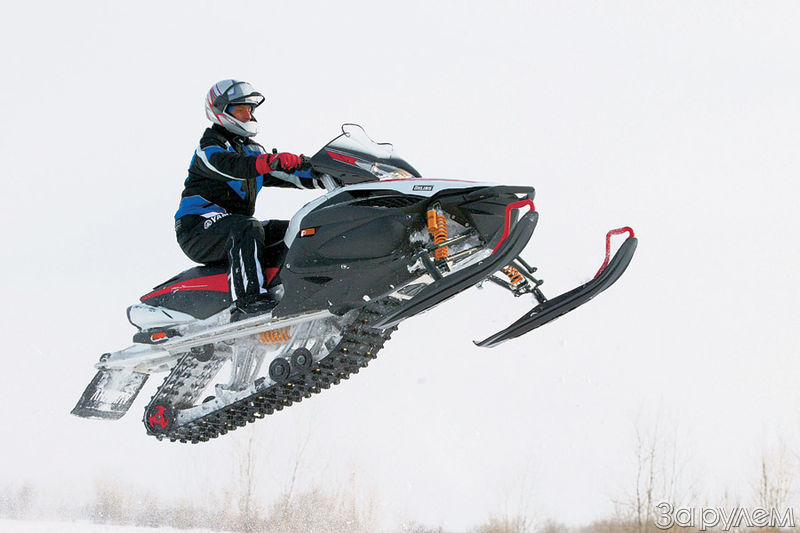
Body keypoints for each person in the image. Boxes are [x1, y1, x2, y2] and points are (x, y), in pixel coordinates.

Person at [174, 79, 322, 320]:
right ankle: (247, 301)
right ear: (221, 111)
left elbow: (288, 175)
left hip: (234, 224)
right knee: (246, 227)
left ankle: (304, 287)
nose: (247, 115)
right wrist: (270, 161)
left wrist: (326, 173)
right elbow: (232, 165)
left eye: (249, 109)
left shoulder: (252, 150)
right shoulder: (209, 147)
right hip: (197, 228)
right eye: (240, 110)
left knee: (296, 229)